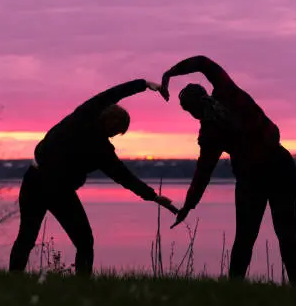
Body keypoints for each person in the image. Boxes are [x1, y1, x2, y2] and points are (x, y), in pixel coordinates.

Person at [9, 78, 179, 275]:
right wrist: (142, 84)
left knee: (31, 237)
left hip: (38, 182)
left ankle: (16, 280)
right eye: (116, 131)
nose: (115, 135)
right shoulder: (89, 125)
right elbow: (110, 96)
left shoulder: (91, 130)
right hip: (51, 187)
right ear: (110, 122)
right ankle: (78, 284)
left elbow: (123, 176)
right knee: (81, 240)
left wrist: (153, 196)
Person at [160, 55, 296, 287]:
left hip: (266, 173)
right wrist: (188, 205)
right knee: (279, 235)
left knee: (251, 237)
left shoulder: (218, 113)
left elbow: (202, 174)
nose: (192, 115)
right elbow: (202, 173)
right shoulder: (223, 102)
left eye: (189, 110)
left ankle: (239, 288)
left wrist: (170, 73)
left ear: (193, 109)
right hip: (269, 171)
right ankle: (294, 288)